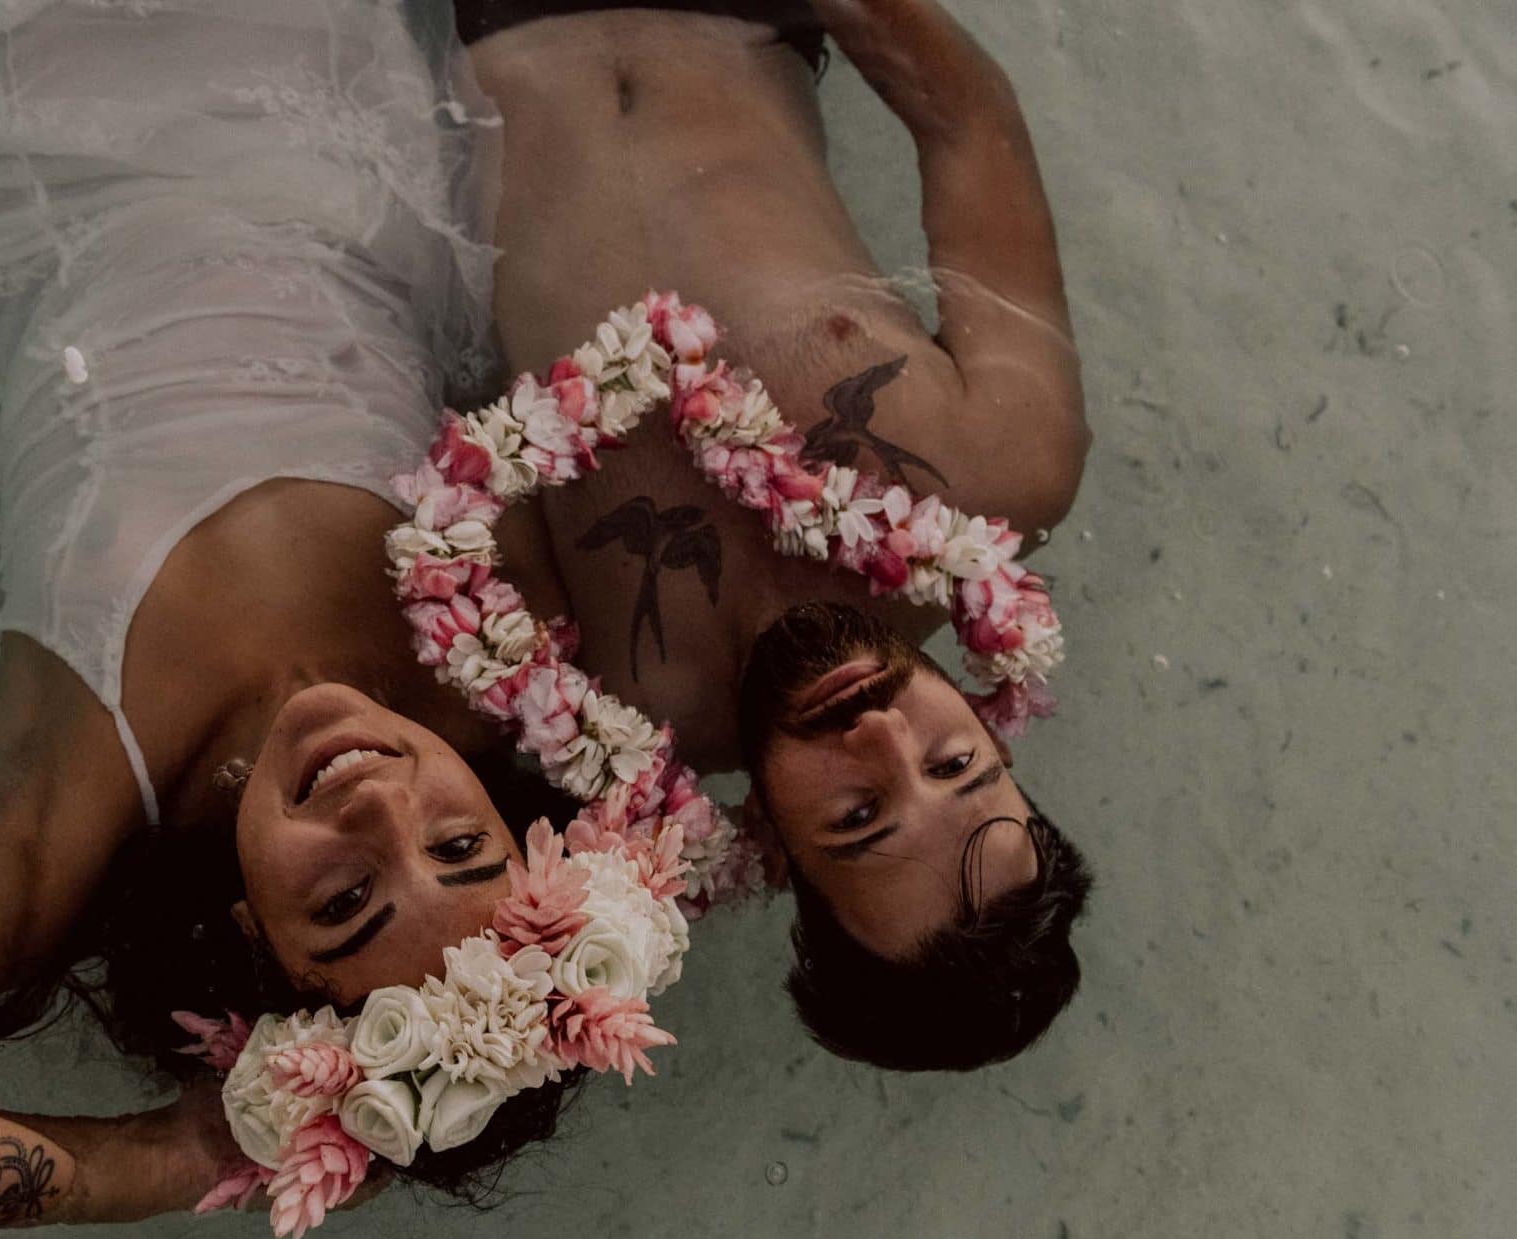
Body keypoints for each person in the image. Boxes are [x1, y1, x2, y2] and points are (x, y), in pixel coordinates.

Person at [0, 0, 591, 1239]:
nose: (379, 806)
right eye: (460, 850)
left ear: (248, 940)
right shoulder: (513, 652)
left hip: (37, 82)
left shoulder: (65, 800)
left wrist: (171, 1153)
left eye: (344, 901)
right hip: (333, 109)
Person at [459, 0, 1096, 1070]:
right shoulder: (1004, 470)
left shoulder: (597, 689)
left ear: (780, 853)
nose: (881, 733)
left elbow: (439, 440)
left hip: (460, 44)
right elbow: (965, 120)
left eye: (856, 815)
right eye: (955, 763)